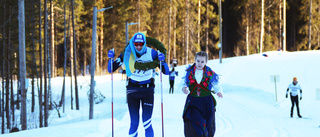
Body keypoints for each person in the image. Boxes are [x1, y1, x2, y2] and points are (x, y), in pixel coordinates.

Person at [108, 32, 169, 137]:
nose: (138, 46)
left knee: (147, 122)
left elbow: (166, 72)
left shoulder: (152, 53)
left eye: (141, 44)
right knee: (134, 123)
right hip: (133, 91)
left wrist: (162, 61)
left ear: (145, 43)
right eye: (136, 44)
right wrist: (111, 59)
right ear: (133, 43)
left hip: (147, 91)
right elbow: (111, 69)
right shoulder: (127, 53)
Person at [182, 51, 223, 137]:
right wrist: (184, 87)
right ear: (195, 60)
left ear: (206, 62)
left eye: (202, 61)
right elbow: (184, 82)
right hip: (193, 101)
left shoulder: (209, 72)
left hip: (206, 102)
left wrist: (219, 91)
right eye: (198, 61)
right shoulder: (190, 72)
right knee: (193, 120)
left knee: (208, 123)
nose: (200, 63)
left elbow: (215, 83)